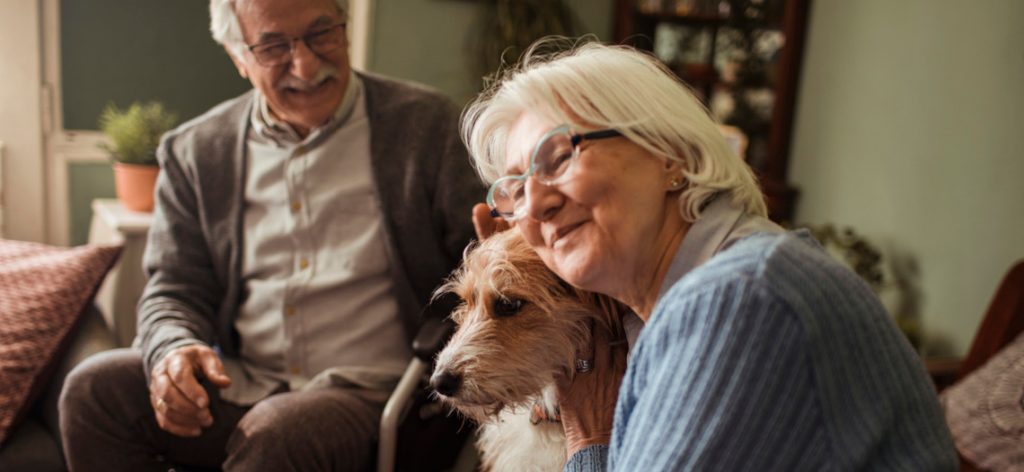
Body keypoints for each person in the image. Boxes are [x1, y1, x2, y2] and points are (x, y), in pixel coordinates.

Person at [463, 39, 958, 471]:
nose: (537, 201)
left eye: (561, 156)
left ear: (670, 155)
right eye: (516, 186)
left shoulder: (739, 298)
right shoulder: (688, 298)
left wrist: (590, 439)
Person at [58, 0, 481, 470]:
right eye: (274, 46)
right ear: (237, 56)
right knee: (93, 390)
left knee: (279, 434)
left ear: (344, 27)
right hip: (243, 383)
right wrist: (173, 349)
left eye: (322, 33)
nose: (305, 63)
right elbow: (173, 289)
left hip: (377, 394)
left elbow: (482, 260)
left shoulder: (429, 127)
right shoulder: (197, 152)